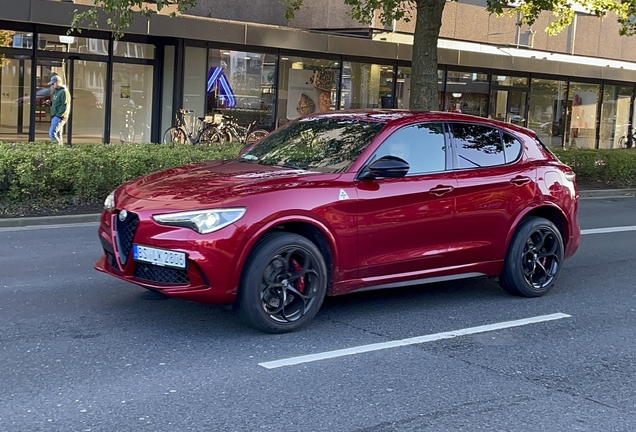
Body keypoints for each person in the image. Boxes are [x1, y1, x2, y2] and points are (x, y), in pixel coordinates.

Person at [46, 75, 71, 146]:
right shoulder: (57, 91)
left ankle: (57, 148)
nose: (52, 85)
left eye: (53, 83)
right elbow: (58, 104)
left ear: (57, 82)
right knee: (58, 135)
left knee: (52, 133)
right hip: (56, 116)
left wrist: (59, 115)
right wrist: (51, 103)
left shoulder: (63, 92)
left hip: (59, 116)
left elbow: (64, 105)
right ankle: (60, 149)